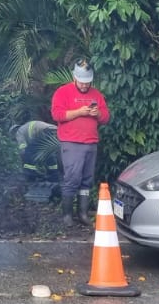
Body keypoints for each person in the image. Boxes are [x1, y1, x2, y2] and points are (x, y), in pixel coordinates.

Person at [51, 59, 109, 226]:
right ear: (74, 78)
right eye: (82, 82)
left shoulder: (96, 94)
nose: (84, 86)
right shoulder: (62, 92)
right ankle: (67, 215)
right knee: (72, 178)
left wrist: (97, 113)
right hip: (72, 142)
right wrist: (79, 112)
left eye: (88, 82)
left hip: (91, 142)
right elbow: (57, 115)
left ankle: (82, 214)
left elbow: (105, 118)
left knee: (86, 179)